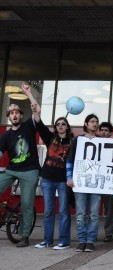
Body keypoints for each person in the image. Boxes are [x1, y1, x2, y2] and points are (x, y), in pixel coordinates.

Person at [0, 84, 41, 247]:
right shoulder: (5, 136)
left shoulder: (28, 127)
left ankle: (24, 236)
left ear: (21, 115)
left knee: (27, 203)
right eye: (11, 113)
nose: (14, 115)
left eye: (17, 112)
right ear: (9, 117)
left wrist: (29, 93)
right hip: (12, 170)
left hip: (30, 170)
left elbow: (36, 111)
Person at [35, 116, 74, 250]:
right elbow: (39, 124)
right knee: (48, 211)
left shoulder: (73, 141)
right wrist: (36, 111)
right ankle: (47, 240)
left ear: (67, 126)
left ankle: (64, 241)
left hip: (63, 180)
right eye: (58, 124)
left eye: (63, 124)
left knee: (63, 211)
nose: (60, 126)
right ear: (55, 127)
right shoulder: (50, 138)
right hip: (47, 179)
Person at [66, 114, 101, 252]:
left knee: (93, 213)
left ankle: (91, 240)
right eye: (92, 121)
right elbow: (70, 160)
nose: (95, 124)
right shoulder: (78, 140)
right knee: (80, 213)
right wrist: (69, 177)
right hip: (80, 182)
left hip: (97, 183)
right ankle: (82, 240)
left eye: (96, 122)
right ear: (86, 124)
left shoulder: (102, 141)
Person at [99, 122, 113, 242]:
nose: (104, 132)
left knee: (109, 209)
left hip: (109, 182)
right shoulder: (92, 143)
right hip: (95, 181)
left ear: (110, 133)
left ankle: (109, 233)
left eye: (106, 130)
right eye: (102, 130)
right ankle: (90, 233)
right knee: (93, 210)